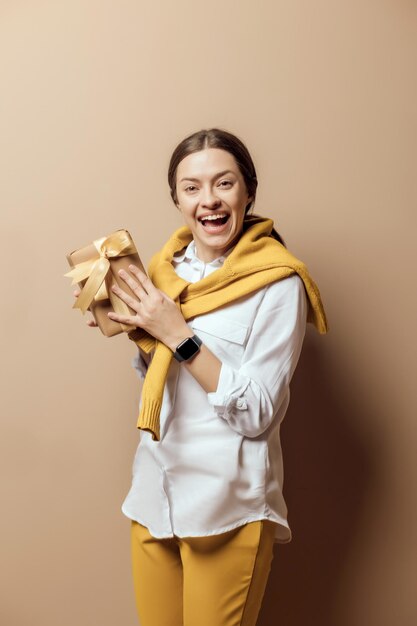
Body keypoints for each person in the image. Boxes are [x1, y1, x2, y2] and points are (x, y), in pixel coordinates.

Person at [76, 128, 328, 626]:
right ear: (177, 199)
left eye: (224, 183)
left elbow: (258, 411)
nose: (208, 200)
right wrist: (142, 334)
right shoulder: (164, 271)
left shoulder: (278, 283)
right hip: (155, 495)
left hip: (226, 508)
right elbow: (167, 385)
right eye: (191, 187)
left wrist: (178, 335)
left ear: (248, 191)